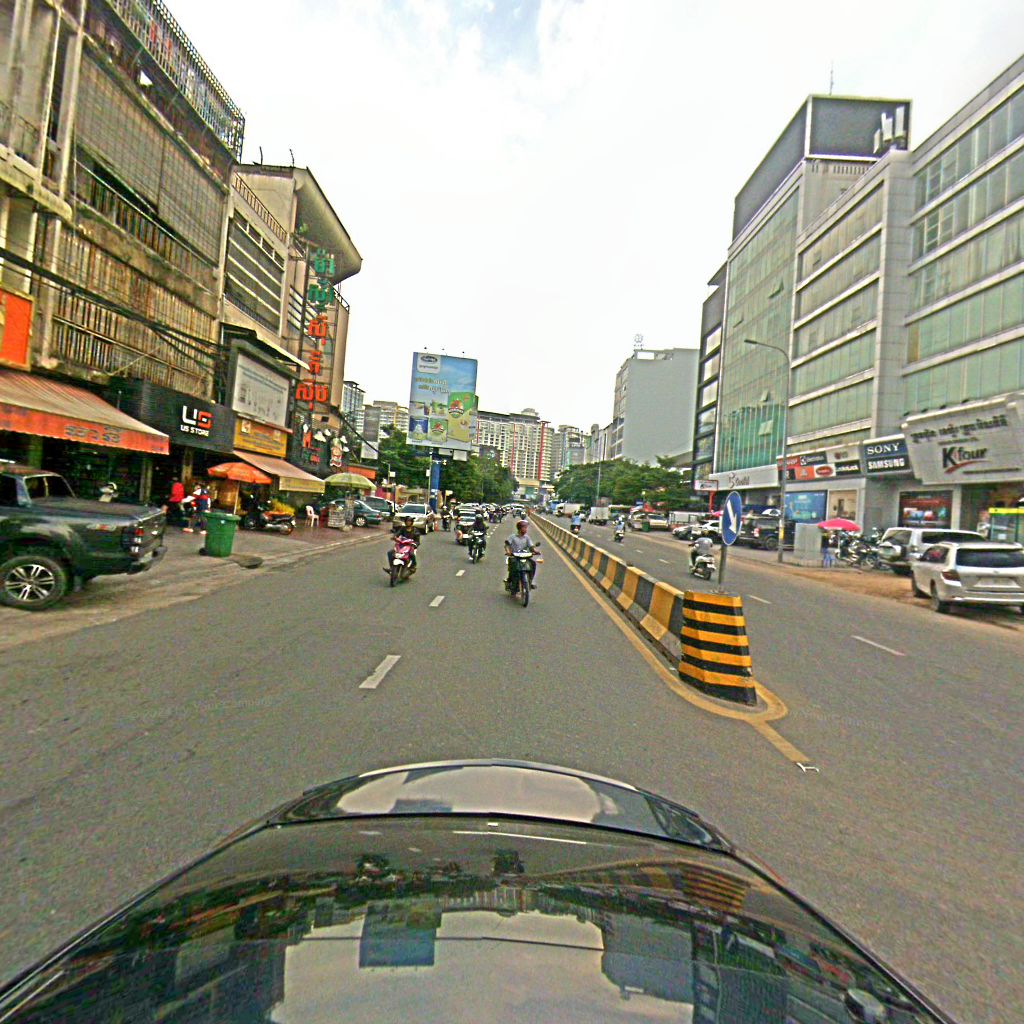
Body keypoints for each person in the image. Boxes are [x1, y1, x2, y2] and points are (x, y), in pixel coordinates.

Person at [505, 519, 540, 590]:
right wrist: (508, 551)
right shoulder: (512, 537)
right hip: (515, 557)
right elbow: (507, 545)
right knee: (513, 566)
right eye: (524, 527)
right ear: (520, 528)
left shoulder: (527, 537)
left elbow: (531, 547)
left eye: (526, 528)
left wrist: (535, 551)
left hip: (525, 556)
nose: (526, 529)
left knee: (533, 564)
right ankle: (509, 581)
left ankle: (530, 581)